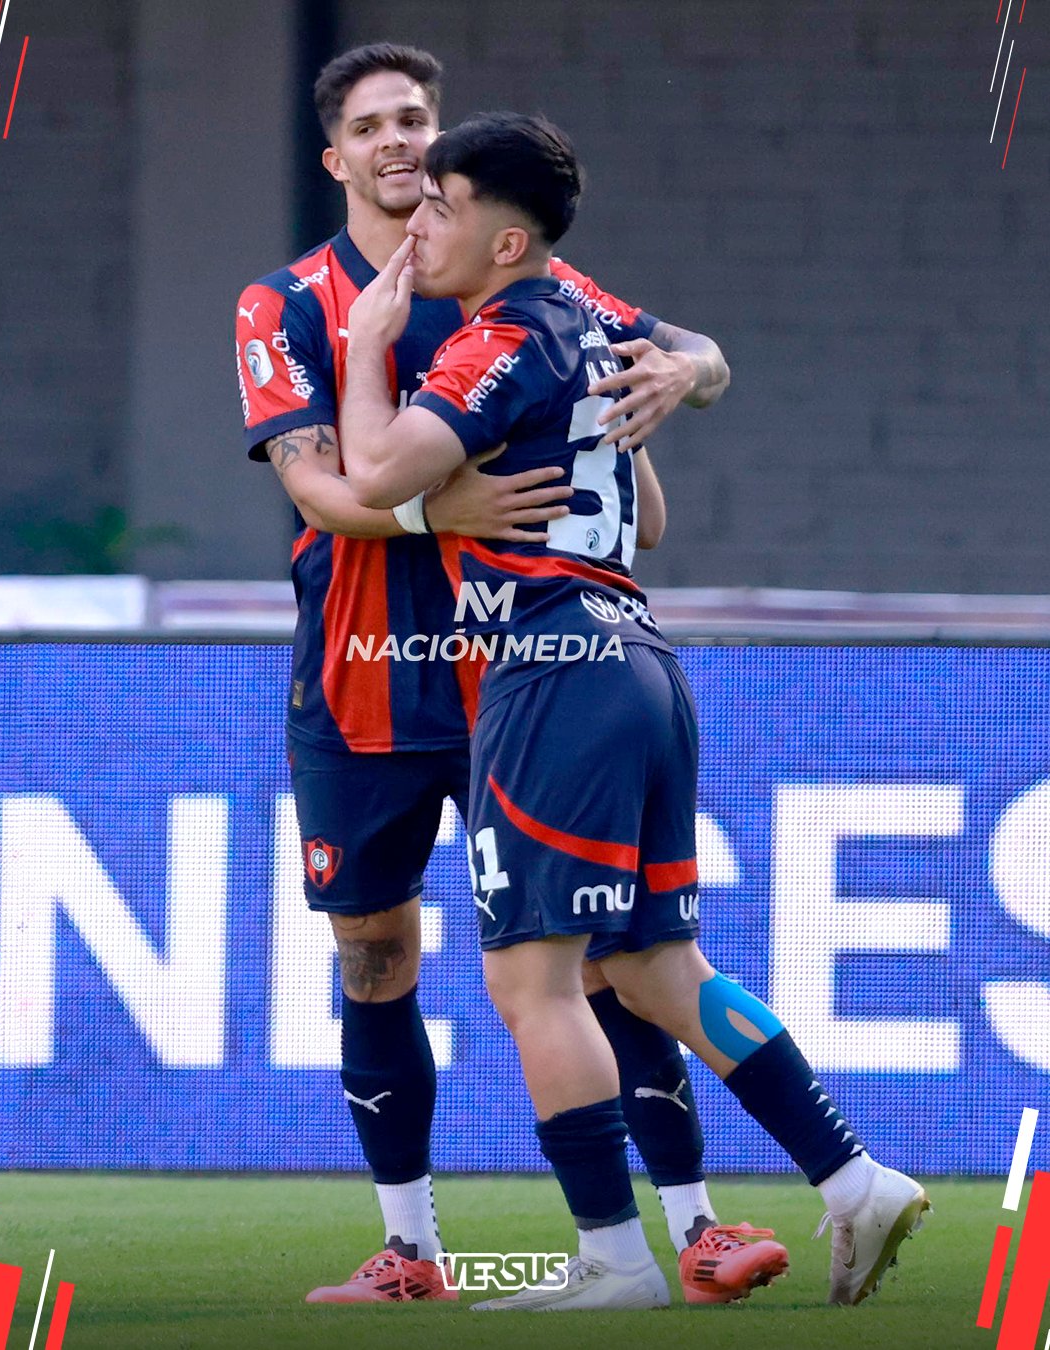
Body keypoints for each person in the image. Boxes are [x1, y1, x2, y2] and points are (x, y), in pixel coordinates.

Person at [340, 110, 930, 1312]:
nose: (421, 220)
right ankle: (854, 1177)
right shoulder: (590, 319)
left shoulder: (501, 336)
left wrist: (365, 349)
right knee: (657, 967)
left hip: (552, 667)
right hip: (640, 659)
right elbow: (649, 517)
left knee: (532, 982)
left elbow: (375, 472)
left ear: (507, 241)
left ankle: (614, 1260)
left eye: (443, 204)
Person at [236, 41, 787, 1309]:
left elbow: (686, 348)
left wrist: (691, 371)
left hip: (522, 676)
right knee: (375, 960)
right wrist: (443, 511)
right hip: (363, 672)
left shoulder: (502, 268)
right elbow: (318, 483)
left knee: (600, 952)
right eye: (370, 125)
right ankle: (411, 1250)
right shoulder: (289, 302)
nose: (396, 143)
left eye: (414, 121)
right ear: (334, 158)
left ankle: (692, 1225)